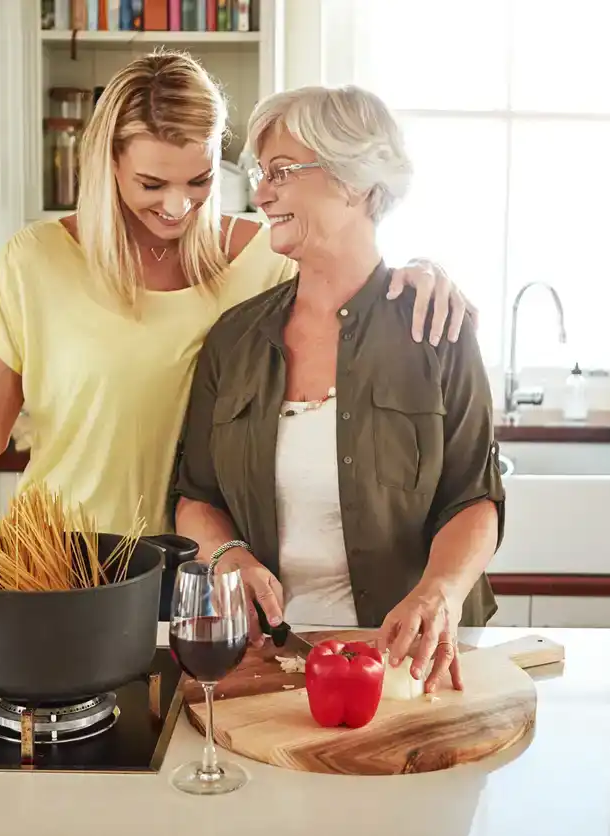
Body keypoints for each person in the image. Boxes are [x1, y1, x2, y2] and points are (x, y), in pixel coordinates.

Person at [0, 50, 473, 542]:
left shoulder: (264, 258)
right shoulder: (39, 259)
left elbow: (350, 264)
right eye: (151, 185)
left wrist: (424, 268)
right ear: (108, 163)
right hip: (63, 561)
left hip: (204, 565)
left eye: (199, 181)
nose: (178, 207)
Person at [170, 84, 504, 694]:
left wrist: (441, 592)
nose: (260, 192)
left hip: (416, 665)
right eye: (258, 173)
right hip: (270, 662)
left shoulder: (437, 329)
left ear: (355, 181)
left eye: (281, 172)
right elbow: (196, 497)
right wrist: (230, 557)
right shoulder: (234, 339)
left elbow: (475, 498)